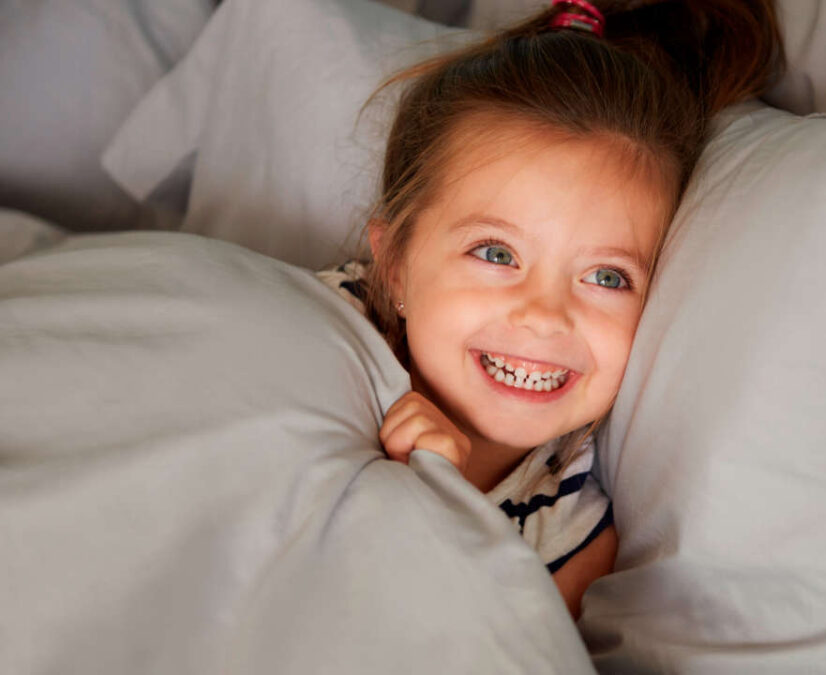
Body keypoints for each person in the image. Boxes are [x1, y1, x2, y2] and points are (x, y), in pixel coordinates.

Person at [318, 0, 782, 618]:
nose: (545, 314)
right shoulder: (317, 340)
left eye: (606, 276)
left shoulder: (569, 544)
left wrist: (439, 508)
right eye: (495, 252)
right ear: (397, 262)